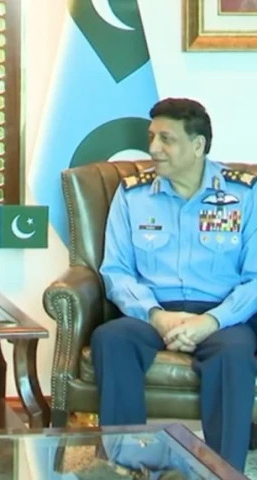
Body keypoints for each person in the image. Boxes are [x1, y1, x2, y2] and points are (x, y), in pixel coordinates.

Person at [91, 97, 257, 472]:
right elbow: (116, 270)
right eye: (152, 137)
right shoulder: (132, 195)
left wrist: (210, 322)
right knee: (111, 338)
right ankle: (128, 465)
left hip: (221, 316)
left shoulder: (245, 195)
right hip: (153, 311)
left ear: (198, 145)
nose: (153, 149)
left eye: (166, 139)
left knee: (233, 352)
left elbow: (255, 278)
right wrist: (156, 315)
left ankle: (222, 472)